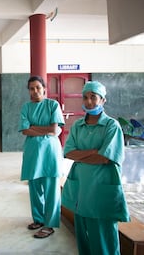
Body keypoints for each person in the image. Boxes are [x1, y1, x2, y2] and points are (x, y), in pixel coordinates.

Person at [62, 81, 130, 254]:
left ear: (103, 100)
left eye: (93, 97)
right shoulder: (78, 125)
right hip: (81, 190)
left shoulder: (111, 126)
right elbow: (68, 152)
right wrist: (93, 151)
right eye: (85, 97)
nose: (89, 101)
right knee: (83, 239)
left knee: (103, 239)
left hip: (101, 191)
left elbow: (105, 158)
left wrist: (83, 153)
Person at [18, 75, 65, 238]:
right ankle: (38, 219)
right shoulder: (26, 107)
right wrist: (44, 129)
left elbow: (54, 130)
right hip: (32, 152)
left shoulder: (52, 105)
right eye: (32, 88)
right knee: (35, 187)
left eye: (38, 87)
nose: (35, 91)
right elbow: (24, 130)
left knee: (51, 188)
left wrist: (34, 128)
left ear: (44, 89)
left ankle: (50, 223)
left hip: (50, 152)